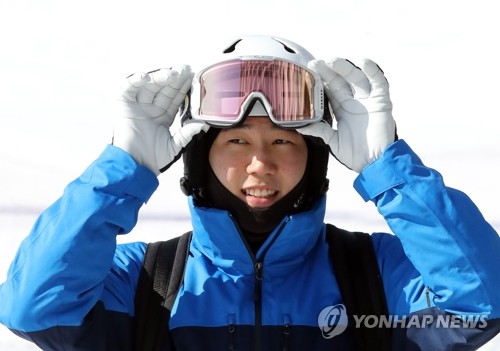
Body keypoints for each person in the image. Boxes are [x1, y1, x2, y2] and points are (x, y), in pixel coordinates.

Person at [0, 35, 499, 351]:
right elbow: (33, 308)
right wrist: (124, 166)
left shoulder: (373, 273)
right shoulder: (144, 282)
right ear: (199, 155)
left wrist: (388, 167)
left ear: (317, 157)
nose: (261, 163)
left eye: (283, 140)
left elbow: (484, 302)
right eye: (236, 140)